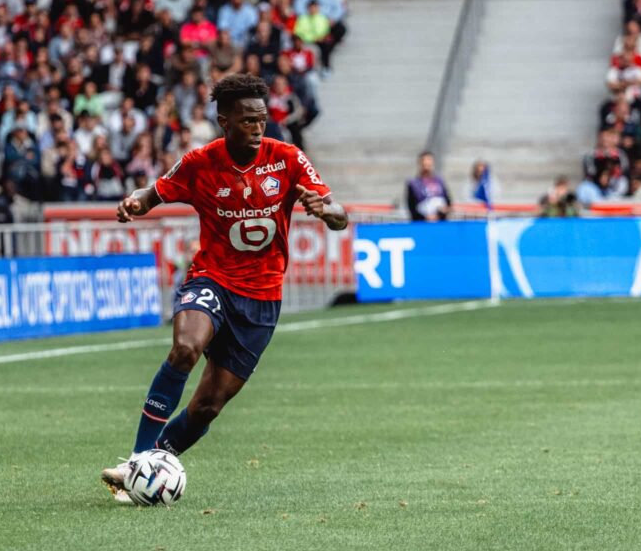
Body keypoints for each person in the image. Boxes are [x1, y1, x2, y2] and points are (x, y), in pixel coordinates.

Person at [101, 74, 348, 504]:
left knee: (207, 406)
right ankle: (137, 459)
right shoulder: (200, 162)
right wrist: (135, 202)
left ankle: (152, 466)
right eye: (248, 120)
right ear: (224, 121)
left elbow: (340, 214)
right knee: (185, 348)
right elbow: (153, 192)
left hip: (262, 297)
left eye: (262, 120)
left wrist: (326, 210)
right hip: (212, 278)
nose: (258, 128)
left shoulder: (287, 159)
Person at [406, 151, 451, 221]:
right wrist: (425, 217)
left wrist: (440, 214)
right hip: (422, 222)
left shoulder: (440, 181)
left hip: (440, 221)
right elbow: (411, 206)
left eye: (429, 160)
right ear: (420, 163)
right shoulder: (413, 183)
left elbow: (448, 201)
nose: (427, 163)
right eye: (424, 160)